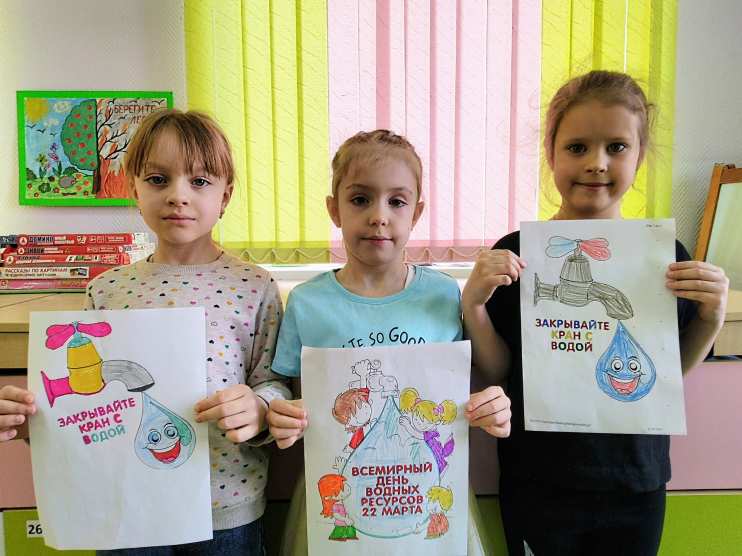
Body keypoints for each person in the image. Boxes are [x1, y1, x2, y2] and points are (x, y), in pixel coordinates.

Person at [462, 70, 730, 556]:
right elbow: (500, 371)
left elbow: (665, 375)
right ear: (551, 154)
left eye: (617, 147)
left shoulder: (665, 258)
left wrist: (711, 318)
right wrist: (474, 304)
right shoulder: (517, 254)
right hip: (537, 477)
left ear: (639, 157)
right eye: (577, 147)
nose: (596, 163)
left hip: (636, 480)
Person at [0, 109, 290, 556]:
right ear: (134, 190)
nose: (178, 196)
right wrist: (33, 422)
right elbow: (91, 395)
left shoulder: (254, 286)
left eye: (199, 181)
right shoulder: (107, 289)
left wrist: (259, 407)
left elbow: (274, 381)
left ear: (225, 196)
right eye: (158, 179)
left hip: (224, 505)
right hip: (127, 505)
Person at [265, 129, 512, 555]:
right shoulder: (306, 302)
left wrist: (486, 407)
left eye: (396, 202)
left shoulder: (442, 294)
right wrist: (282, 413)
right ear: (334, 209)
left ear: (416, 213)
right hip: (344, 492)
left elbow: (453, 394)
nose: (379, 216)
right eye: (360, 199)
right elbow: (290, 394)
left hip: (424, 489)